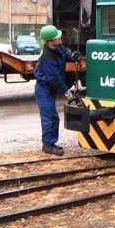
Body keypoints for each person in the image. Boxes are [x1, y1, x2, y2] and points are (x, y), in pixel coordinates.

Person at [34, 25, 81, 156]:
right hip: (44, 89)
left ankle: (50, 142)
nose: (60, 38)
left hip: (50, 87)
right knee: (50, 116)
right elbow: (54, 79)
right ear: (50, 41)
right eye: (57, 37)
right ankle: (48, 145)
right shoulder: (47, 58)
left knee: (54, 117)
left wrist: (72, 56)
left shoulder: (57, 47)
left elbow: (65, 52)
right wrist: (67, 93)